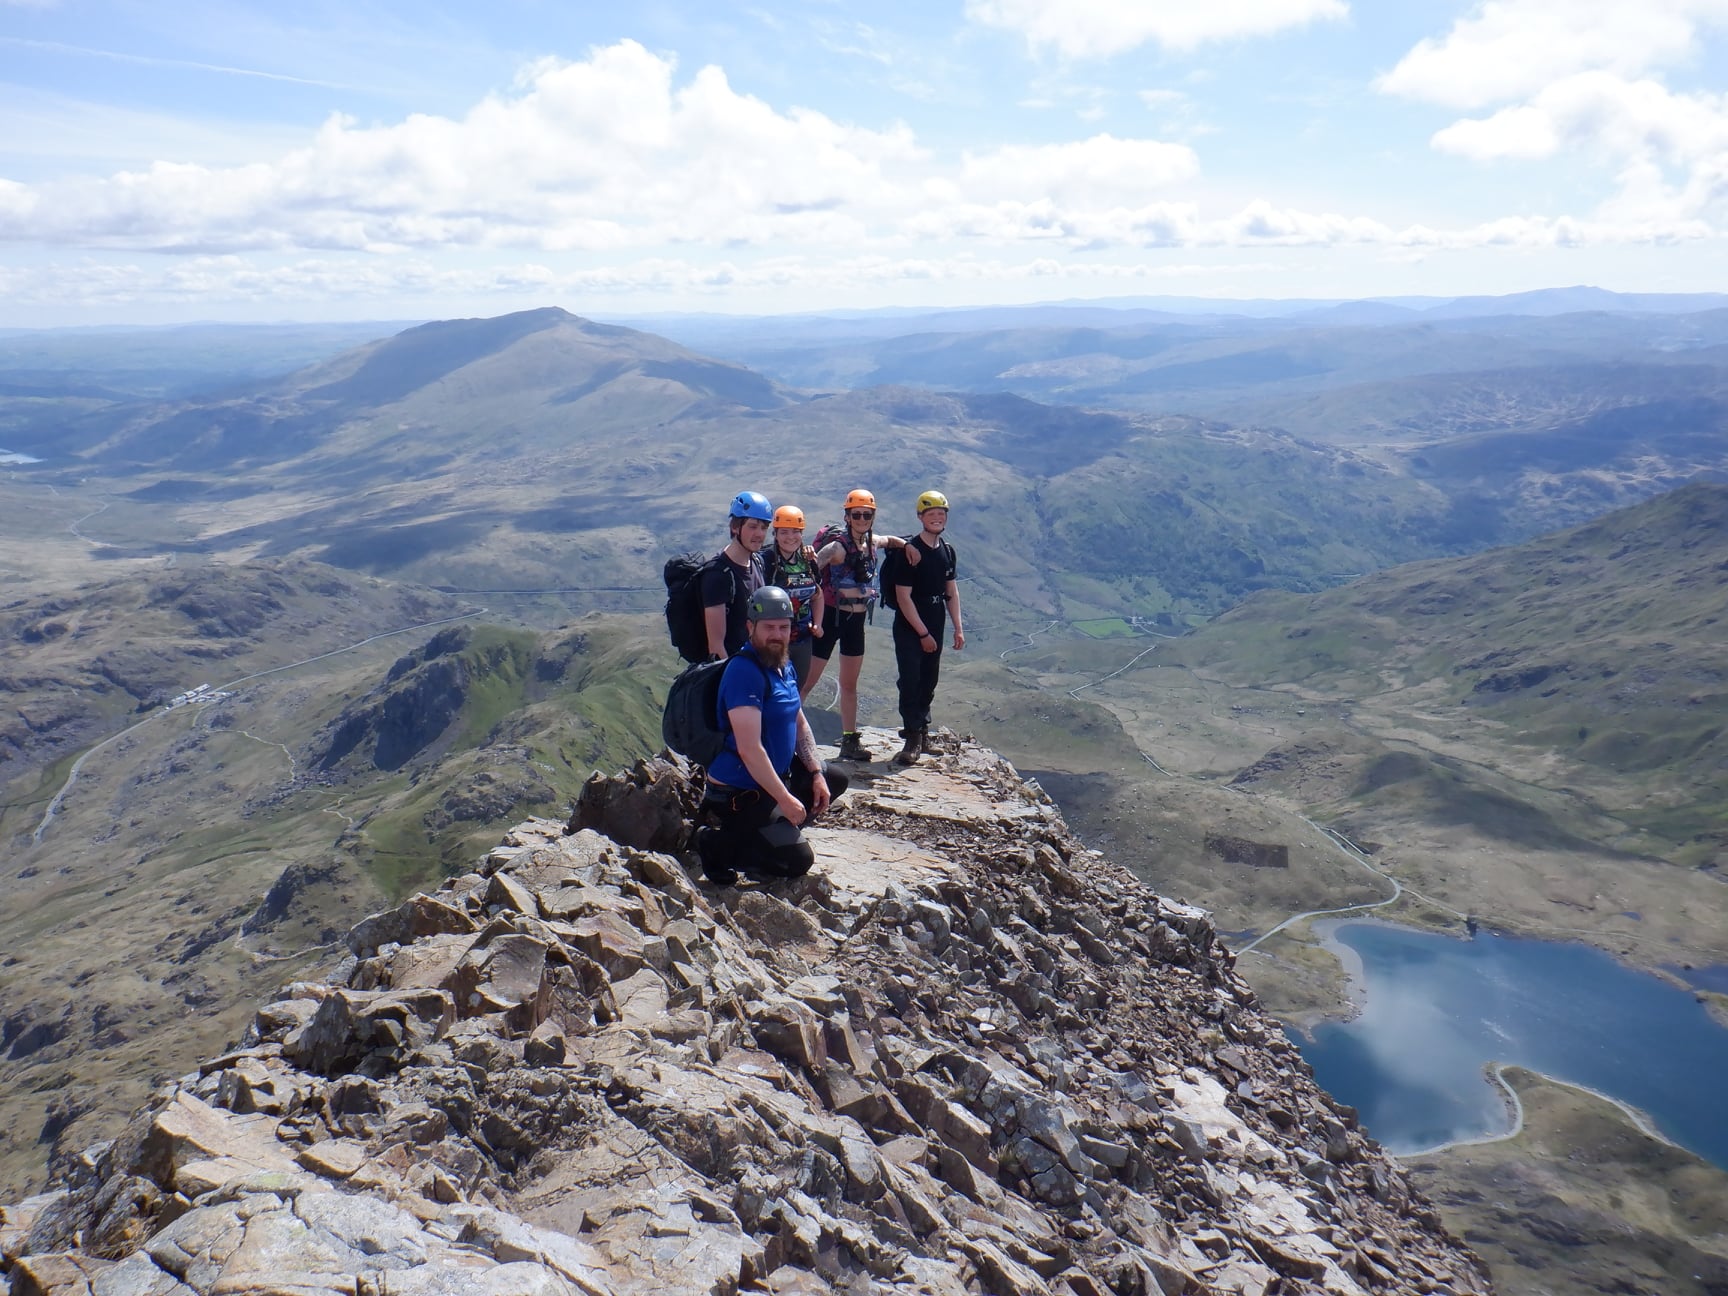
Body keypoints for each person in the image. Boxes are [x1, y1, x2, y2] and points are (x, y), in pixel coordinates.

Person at [695, 586, 850, 886]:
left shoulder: (783, 664)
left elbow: (800, 724)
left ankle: (774, 831)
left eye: (783, 627)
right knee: (798, 862)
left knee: (835, 779)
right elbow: (750, 749)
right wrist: (787, 800)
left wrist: (816, 772)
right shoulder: (744, 672)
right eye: (769, 627)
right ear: (751, 627)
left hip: (775, 779)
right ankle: (714, 844)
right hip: (740, 794)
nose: (777, 634)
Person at [804, 488, 917, 763]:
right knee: (807, 682)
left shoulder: (872, 541)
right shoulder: (838, 547)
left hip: (855, 621)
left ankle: (849, 740)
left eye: (867, 514)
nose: (862, 519)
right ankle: (786, 733)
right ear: (847, 516)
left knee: (849, 684)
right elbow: (812, 570)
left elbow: (888, 540)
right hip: (831, 617)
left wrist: (906, 545)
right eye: (857, 514)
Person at [881, 489, 963, 766]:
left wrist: (958, 628)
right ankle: (912, 736)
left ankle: (923, 732)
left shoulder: (947, 551)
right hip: (910, 623)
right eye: (931, 514)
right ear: (920, 517)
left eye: (941, 514)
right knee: (911, 679)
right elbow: (903, 597)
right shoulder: (911, 552)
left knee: (929, 678)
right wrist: (923, 633)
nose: (937, 518)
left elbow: (951, 590)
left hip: (935, 615)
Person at [761, 504, 824, 690]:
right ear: (775, 534)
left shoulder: (807, 560)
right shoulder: (766, 560)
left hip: (803, 639)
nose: (790, 537)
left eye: (795, 532)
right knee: (772, 692)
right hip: (774, 641)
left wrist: (818, 623)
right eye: (784, 532)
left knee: (795, 691)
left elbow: (817, 595)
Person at [703, 490, 771, 660]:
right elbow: (716, 646)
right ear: (735, 527)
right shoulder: (718, 574)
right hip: (734, 670)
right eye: (753, 526)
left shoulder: (757, 561)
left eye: (764, 527)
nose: (760, 534)